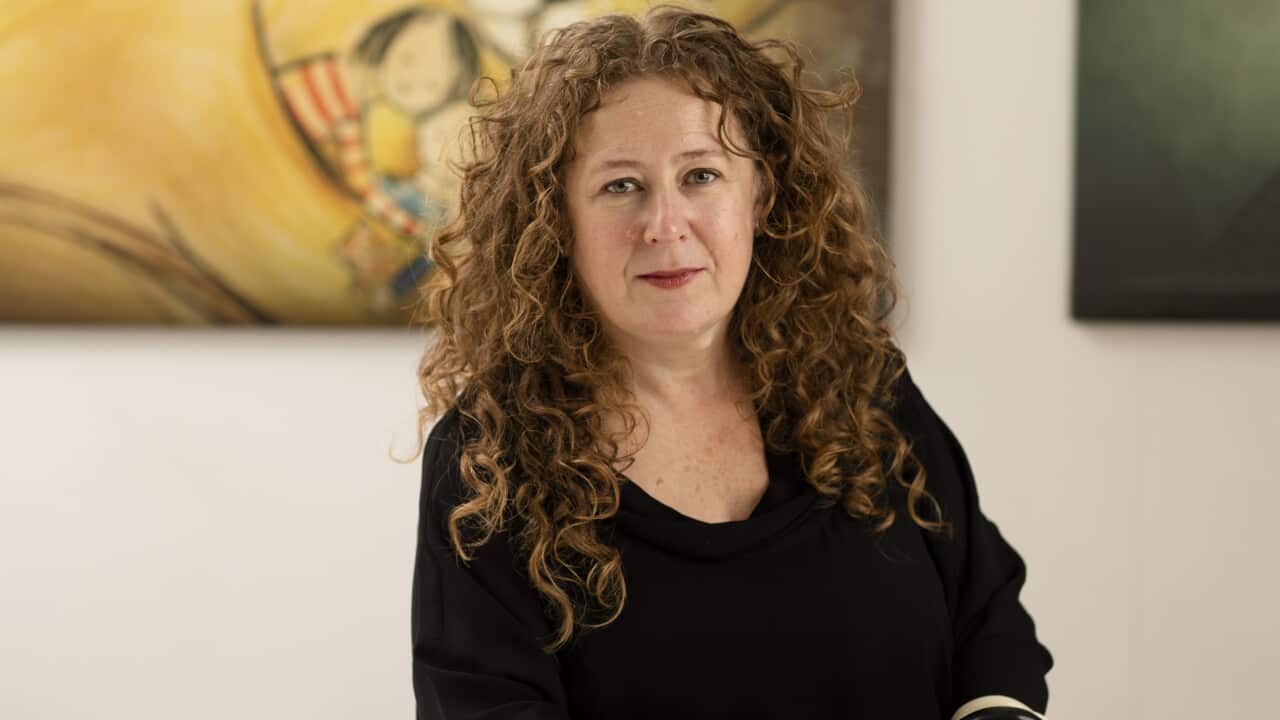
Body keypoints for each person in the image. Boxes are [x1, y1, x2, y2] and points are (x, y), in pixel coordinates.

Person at [408, 6, 1054, 719]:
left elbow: (987, 616)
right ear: (557, 221)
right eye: (621, 185)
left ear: (761, 195)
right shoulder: (488, 463)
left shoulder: (860, 385)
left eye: (701, 175)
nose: (665, 225)